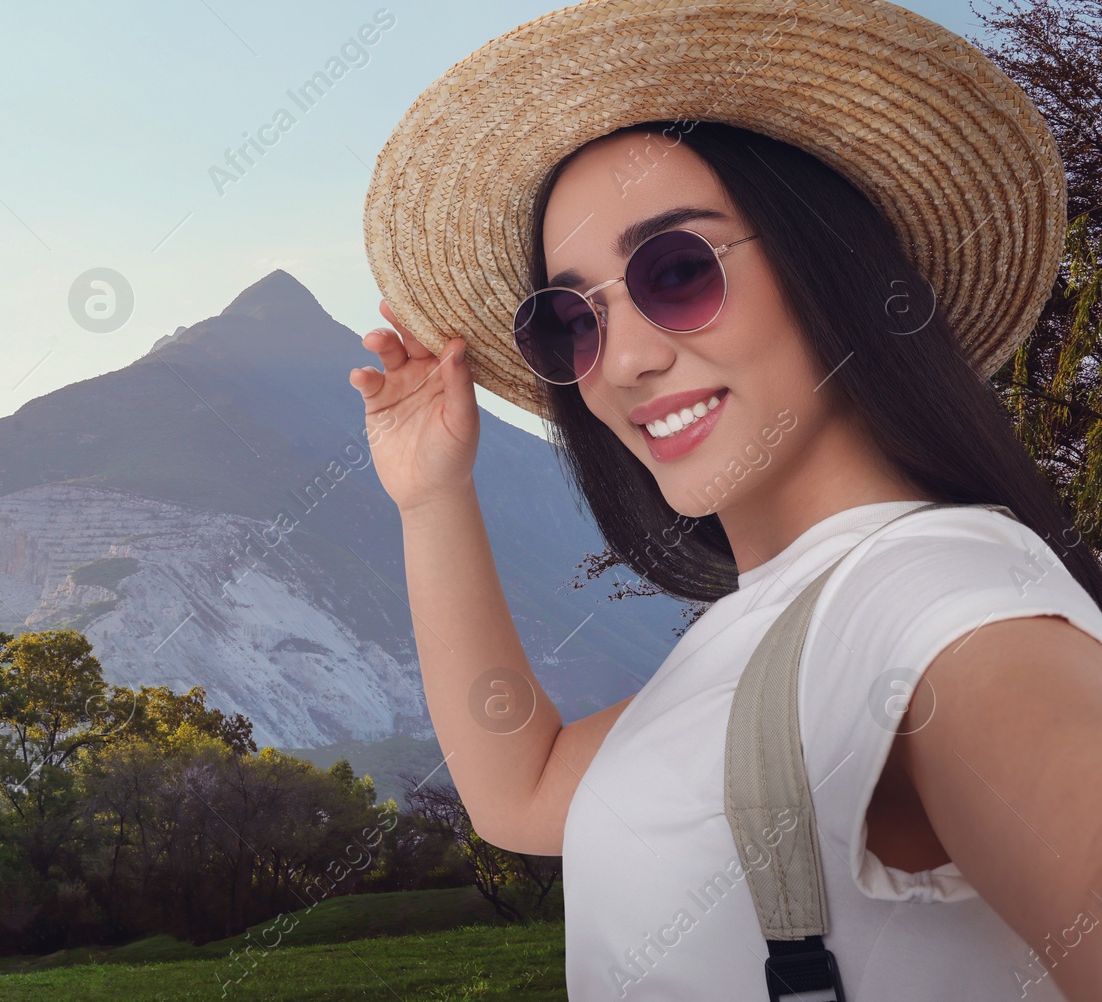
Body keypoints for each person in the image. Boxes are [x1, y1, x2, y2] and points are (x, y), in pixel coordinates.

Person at [352, 2, 1102, 999]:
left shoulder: (945, 605)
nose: (622, 360)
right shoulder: (772, 623)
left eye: (675, 270)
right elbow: (519, 792)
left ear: (825, 267)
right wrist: (430, 495)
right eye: (570, 320)